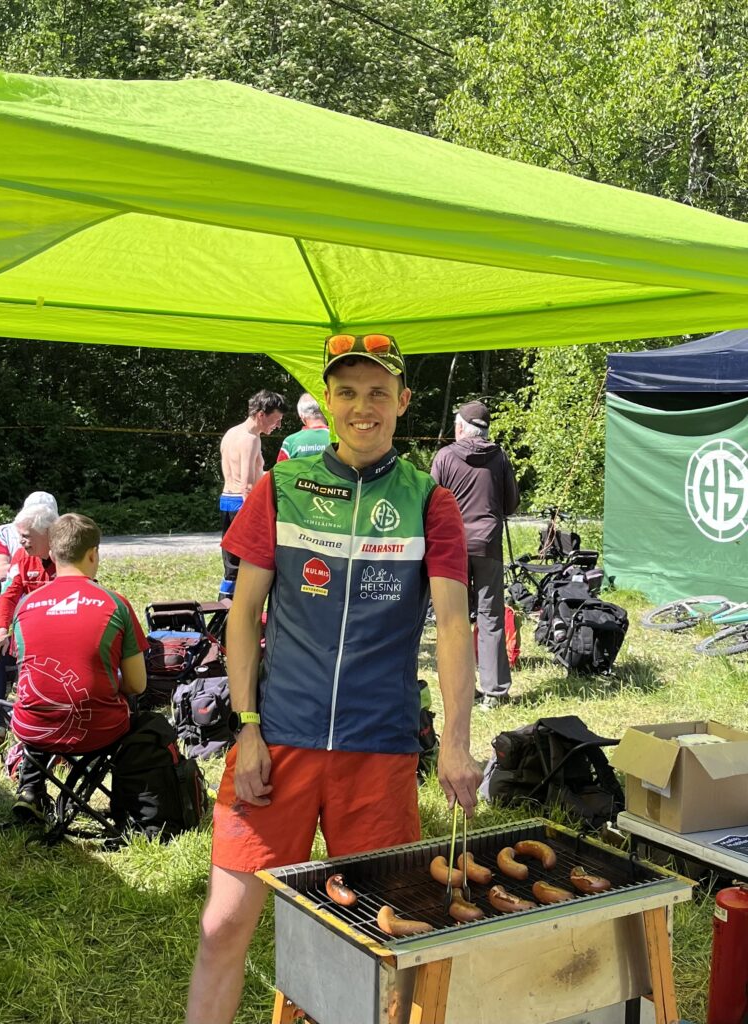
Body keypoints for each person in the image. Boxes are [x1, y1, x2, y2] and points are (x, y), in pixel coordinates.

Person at [186, 333, 481, 1024]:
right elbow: (244, 615)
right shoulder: (281, 488)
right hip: (276, 743)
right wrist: (246, 728)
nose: (361, 407)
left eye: (378, 392)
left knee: (381, 936)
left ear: (403, 402)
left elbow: (454, 626)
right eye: (346, 392)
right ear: (327, 400)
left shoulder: (430, 501)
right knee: (223, 926)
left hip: (377, 747)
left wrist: (457, 742)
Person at [9, 513, 147, 822]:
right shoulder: (115, 603)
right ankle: (127, 795)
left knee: (45, 698)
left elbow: (28, 672)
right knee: (133, 708)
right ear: (93, 554)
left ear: (52, 554)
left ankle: (30, 789)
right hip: (98, 731)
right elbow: (137, 684)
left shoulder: (25, 605)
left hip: (33, 728)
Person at [431, 401, 520, 709]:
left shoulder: (445, 457)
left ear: (460, 428)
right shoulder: (500, 457)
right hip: (488, 544)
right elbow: (511, 504)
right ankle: (494, 691)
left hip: (452, 547)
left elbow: (430, 502)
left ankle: (461, 688)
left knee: (454, 619)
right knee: (491, 616)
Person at [0, 503, 59, 754]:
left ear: (47, 534)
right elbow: (8, 594)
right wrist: (0, 629)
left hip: (60, 637)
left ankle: (43, 728)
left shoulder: (67, 556)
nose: (21, 541)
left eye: (26, 536)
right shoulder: (22, 556)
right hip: (27, 633)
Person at [218, 390, 287, 600]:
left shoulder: (232, 433)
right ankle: (235, 608)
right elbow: (247, 484)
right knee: (250, 562)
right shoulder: (251, 439)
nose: (278, 425)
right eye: (276, 420)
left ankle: (224, 606)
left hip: (227, 500)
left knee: (231, 564)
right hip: (242, 503)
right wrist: (255, 513)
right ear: (261, 415)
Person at [0, 491, 59, 583]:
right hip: (15, 583)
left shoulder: (62, 532)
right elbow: (0, 572)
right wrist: (28, 570)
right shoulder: (3, 532)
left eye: (45, 516)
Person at [275, 392, 329, 461]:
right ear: (326, 412)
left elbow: (280, 467)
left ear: (302, 416)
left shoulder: (290, 442)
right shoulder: (339, 439)